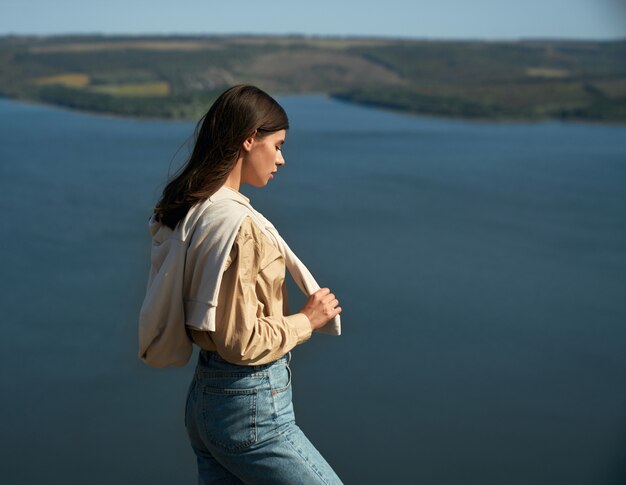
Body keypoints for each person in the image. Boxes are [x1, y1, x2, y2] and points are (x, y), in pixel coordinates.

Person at [141, 84, 344, 484]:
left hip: (208, 401)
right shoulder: (239, 226)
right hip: (250, 411)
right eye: (278, 145)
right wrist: (307, 319)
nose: (282, 159)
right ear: (250, 139)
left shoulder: (197, 210)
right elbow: (241, 342)